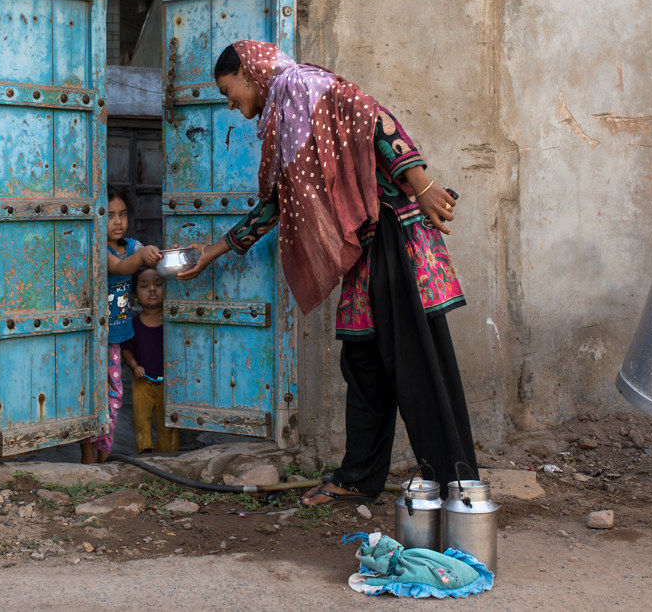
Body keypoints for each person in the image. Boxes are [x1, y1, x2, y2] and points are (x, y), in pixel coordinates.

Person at [178, 41, 478, 503]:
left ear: (246, 70)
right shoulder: (284, 115)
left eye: (228, 90)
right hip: (364, 248)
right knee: (362, 361)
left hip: (393, 235)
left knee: (417, 361)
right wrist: (214, 251)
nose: (233, 106)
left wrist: (423, 184)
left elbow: (373, 116)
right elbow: (279, 203)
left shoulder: (302, 85)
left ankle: (455, 483)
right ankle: (359, 479)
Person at [81, 188, 161, 463]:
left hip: (115, 339)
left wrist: (156, 255)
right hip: (92, 339)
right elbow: (120, 268)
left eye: (122, 215)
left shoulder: (132, 246)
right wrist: (142, 257)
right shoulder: (97, 248)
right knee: (90, 398)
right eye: (109, 215)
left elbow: (145, 258)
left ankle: (103, 457)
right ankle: (87, 457)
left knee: (114, 397)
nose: (117, 221)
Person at [122, 267, 180, 454]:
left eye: (158, 284)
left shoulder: (173, 322)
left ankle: (169, 457)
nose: (152, 290)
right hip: (142, 383)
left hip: (169, 384)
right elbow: (126, 350)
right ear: (135, 296)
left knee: (169, 422)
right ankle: (145, 456)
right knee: (141, 420)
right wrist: (134, 366)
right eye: (144, 286)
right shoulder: (133, 324)